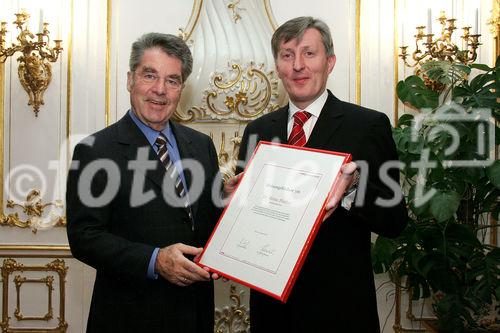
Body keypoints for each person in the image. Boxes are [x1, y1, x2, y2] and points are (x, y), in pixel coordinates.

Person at [234, 17, 408, 332]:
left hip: (340, 308)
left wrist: (353, 189)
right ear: (278, 67)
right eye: (287, 55)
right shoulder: (257, 131)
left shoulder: (367, 126)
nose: (298, 65)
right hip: (271, 310)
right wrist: (233, 199)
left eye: (309, 53)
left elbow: (395, 221)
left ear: (330, 62)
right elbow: (247, 218)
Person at [66, 33, 222, 332]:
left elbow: (207, 220)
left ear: (182, 89)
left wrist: (233, 199)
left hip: (195, 313)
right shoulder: (95, 150)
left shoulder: (201, 145)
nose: (160, 90)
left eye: (172, 80)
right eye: (150, 75)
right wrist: (155, 260)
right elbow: (84, 236)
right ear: (129, 79)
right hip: (130, 315)